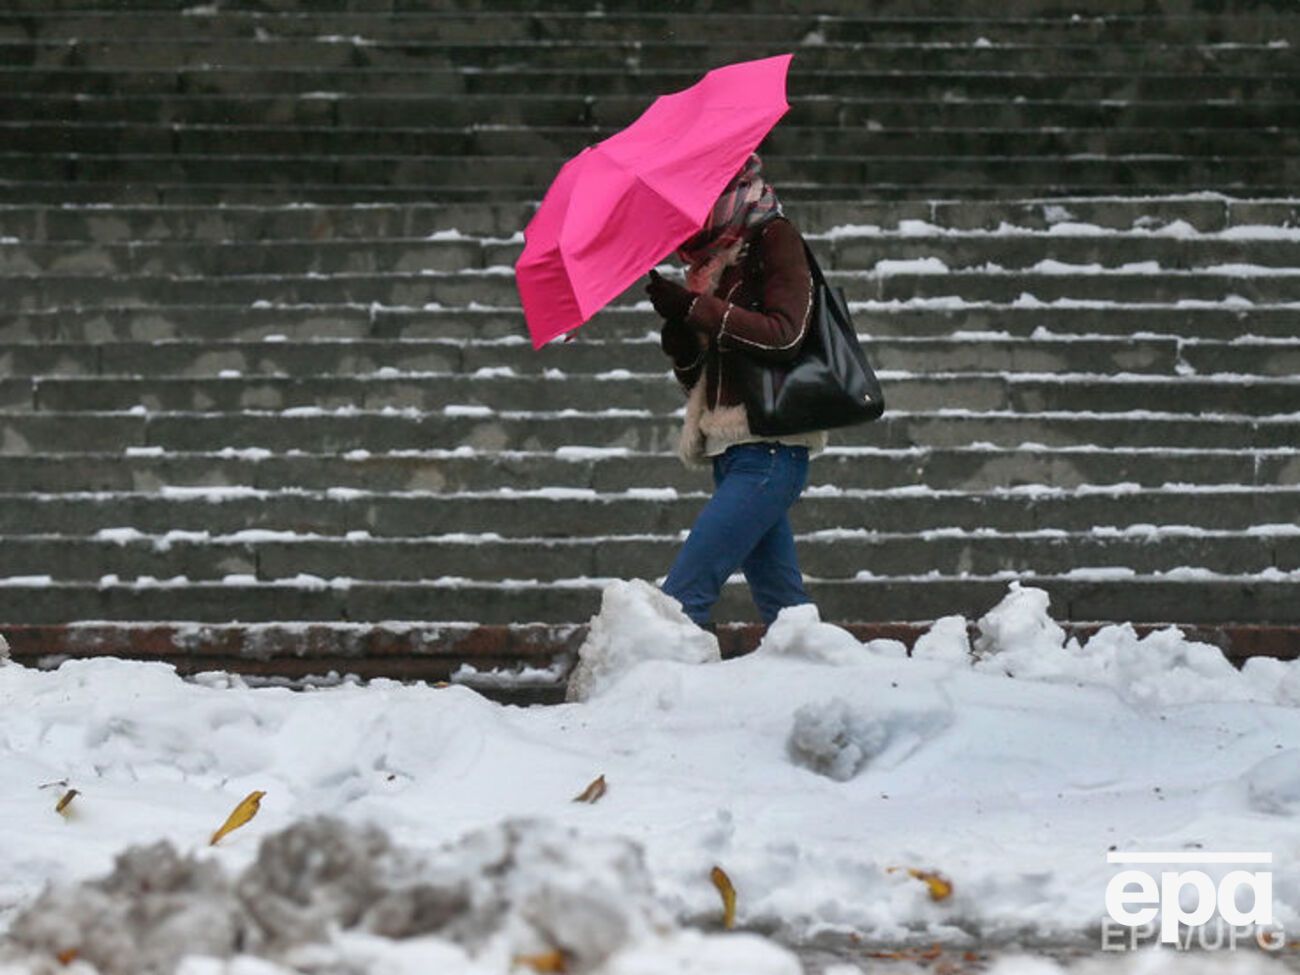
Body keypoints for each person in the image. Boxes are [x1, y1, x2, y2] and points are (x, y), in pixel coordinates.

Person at [644, 153, 828, 632]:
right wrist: (681, 334)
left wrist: (694, 307)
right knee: (786, 613)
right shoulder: (711, 264)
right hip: (732, 452)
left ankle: (656, 699)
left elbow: (785, 334)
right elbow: (707, 379)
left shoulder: (774, 237)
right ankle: (823, 690)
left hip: (770, 449)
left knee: (681, 602)